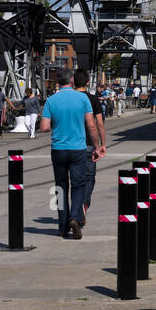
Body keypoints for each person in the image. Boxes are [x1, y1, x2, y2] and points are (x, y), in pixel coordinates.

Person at [40, 69, 103, 240]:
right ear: (72, 81)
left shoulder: (51, 100)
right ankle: (75, 216)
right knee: (79, 184)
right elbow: (91, 126)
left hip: (58, 149)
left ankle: (62, 226)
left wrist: (56, 121)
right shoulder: (82, 98)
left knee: (60, 186)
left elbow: (44, 127)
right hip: (78, 149)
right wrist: (96, 147)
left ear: (58, 82)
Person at [75, 69, 105, 222]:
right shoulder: (93, 100)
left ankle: (74, 208)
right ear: (88, 82)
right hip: (88, 144)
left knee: (74, 179)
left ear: (74, 82)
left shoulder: (70, 98)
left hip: (72, 144)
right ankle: (84, 204)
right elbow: (98, 124)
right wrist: (101, 144)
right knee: (89, 177)